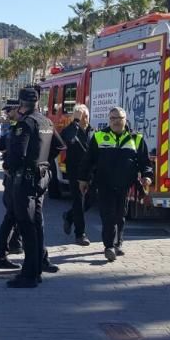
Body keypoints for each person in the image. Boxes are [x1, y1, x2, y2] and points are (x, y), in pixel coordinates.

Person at [6, 87, 65, 288]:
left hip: (26, 180)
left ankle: (29, 274)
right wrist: (44, 162)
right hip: (42, 178)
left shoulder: (26, 123)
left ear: (21, 104)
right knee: (37, 225)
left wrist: (10, 167)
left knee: (27, 226)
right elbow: (59, 146)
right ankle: (37, 268)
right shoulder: (46, 122)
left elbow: (18, 154)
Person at [79, 107, 154, 262]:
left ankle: (118, 243)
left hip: (125, 185)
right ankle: (109, 246)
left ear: (125, 119)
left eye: (119, 118)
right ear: (109, 120)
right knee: (108, 216)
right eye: (112, 118)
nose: (116, 121)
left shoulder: (136, 139)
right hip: (104, 184)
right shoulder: (99, 136)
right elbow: (88, 160)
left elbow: (144, 162)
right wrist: (83, 179)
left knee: (120, 215)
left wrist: (147, 176)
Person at [0, 99, 23, 269]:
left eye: (8, 111)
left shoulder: (20, 128)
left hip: (16, 178)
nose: (6, 115)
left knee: (14, 215)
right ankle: (6, 249)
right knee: (12, 214)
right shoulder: (12, 130)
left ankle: (13, 245)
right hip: (12, 178)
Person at [60, 104, 95, 246]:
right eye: (81, 117)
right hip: (75, 171)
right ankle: (80, 234)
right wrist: (74, 122)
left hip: (90, 171)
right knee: (78, 202)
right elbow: (65, 138)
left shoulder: (93, 132)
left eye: (86, 116)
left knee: (90, 201)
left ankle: (69, 216)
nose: (85, 119)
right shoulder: (70, 131)